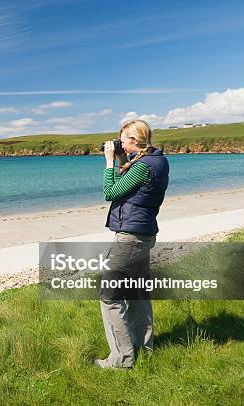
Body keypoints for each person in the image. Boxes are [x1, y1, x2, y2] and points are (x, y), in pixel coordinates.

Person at [94, 119, 169, 369]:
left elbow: (111, 192)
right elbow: (130, 187)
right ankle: (144, 347)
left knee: (110, 295)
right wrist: (119, 159)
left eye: (124, 139)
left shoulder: (143, 166)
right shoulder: (156, 161)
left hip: (130, 238)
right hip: (143, 235)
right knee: (138, 293)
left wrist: (108, 162)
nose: (121, 144)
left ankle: (122, 359)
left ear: (136, 141)